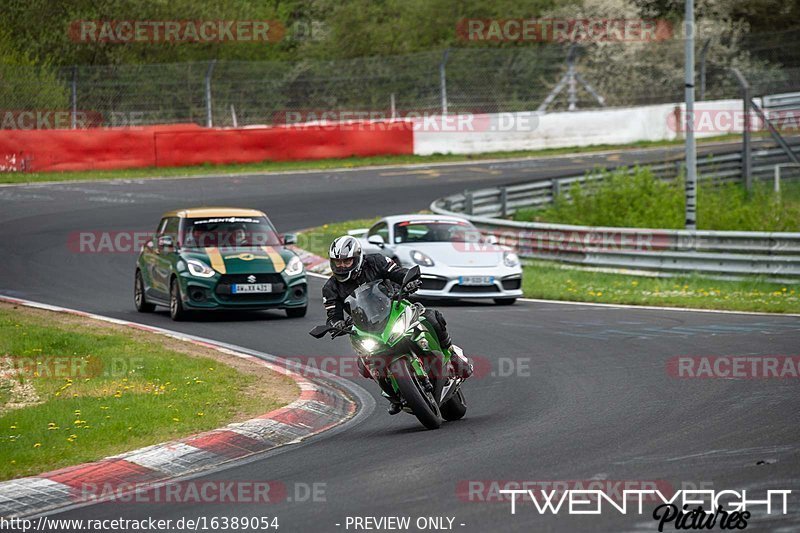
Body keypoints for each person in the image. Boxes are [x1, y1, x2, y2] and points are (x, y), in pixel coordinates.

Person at [322, 235, 473, 414]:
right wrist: (336, 324)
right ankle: (392, 392)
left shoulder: (376, 261)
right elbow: (333, 315)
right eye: (338, 262)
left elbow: (399, 273)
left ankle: (452, 354)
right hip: (364, 327)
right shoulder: (330, 287)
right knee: (364, 364)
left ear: (357, 258)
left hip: (394, 306)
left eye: (346, 262)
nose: (342, 266)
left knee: (432, 317)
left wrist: (409, 281)